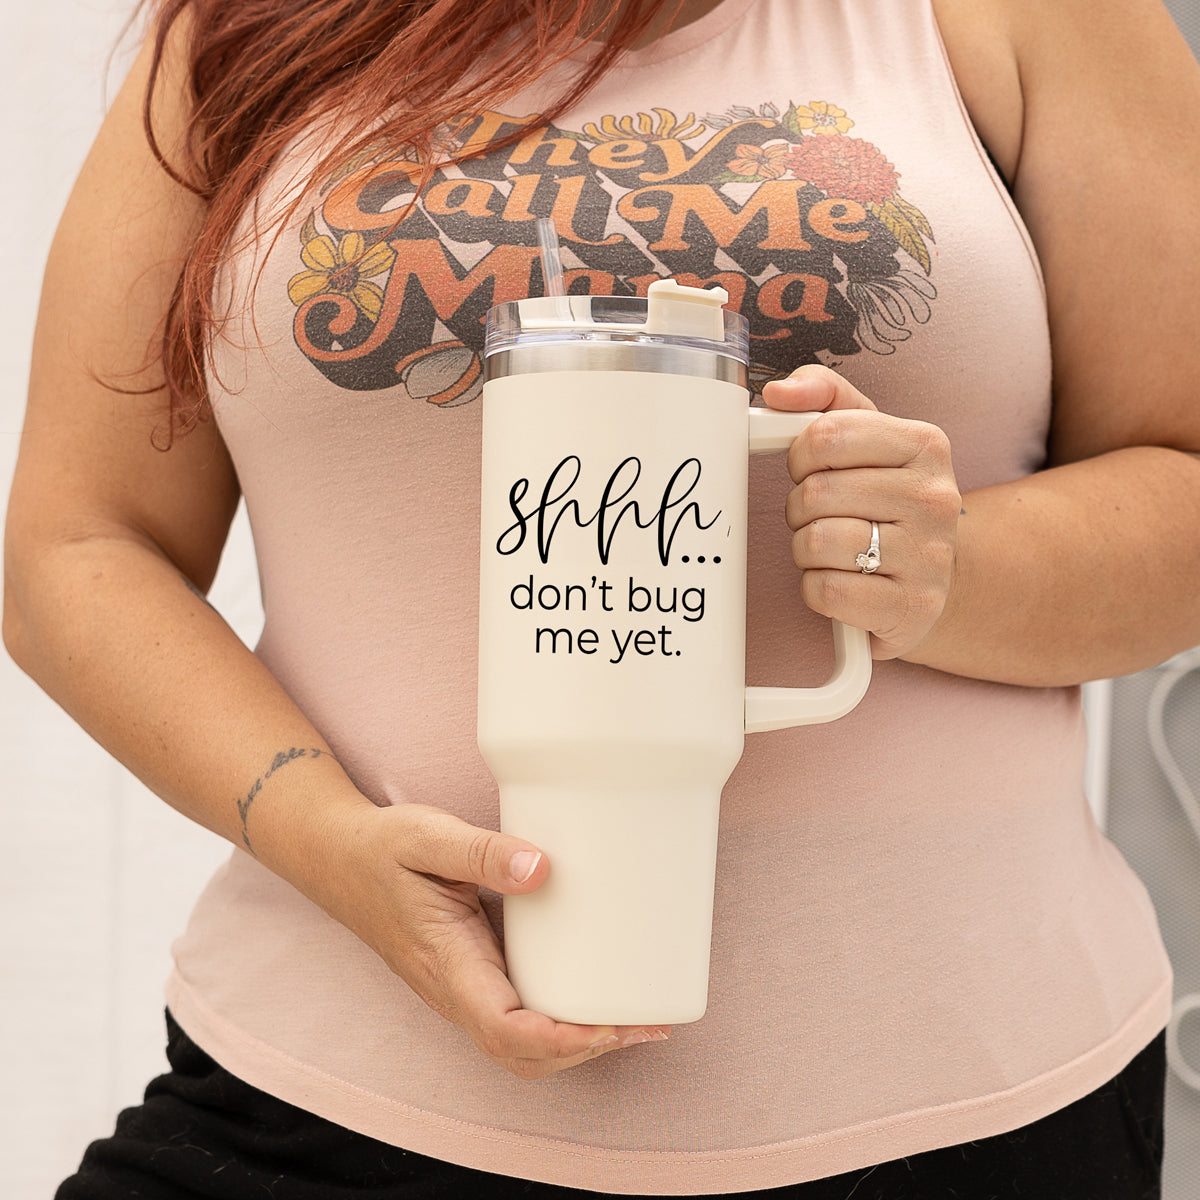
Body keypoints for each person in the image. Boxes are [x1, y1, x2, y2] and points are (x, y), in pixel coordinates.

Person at [5, 0, 1198, 1195]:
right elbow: (80, 541)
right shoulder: (237, 31)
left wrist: (954, 570)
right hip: (333, 1091)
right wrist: (322, 837)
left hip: (966, 1109)